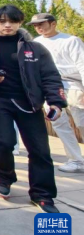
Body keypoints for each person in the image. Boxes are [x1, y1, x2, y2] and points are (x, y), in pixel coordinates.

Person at [0, 5, 66, 213]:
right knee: (3, 143)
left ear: (20, 23)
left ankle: (43, 195)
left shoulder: (35, 48)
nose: (7, 25)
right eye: (2, 21)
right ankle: (4, 177)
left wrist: (56, 102)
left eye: (12, 21)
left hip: (30, 104)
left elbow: (50, 75)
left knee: (40, 150)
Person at [30, 12, 84, 173]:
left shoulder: (71, 40)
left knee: (81, 122)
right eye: (35, 25)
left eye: (41, 24)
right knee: (58, 123)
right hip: (49, 87)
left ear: (53, 23)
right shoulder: (35, 43)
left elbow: (82, 64)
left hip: (73, 84)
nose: (38, 27)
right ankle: (76, 159)